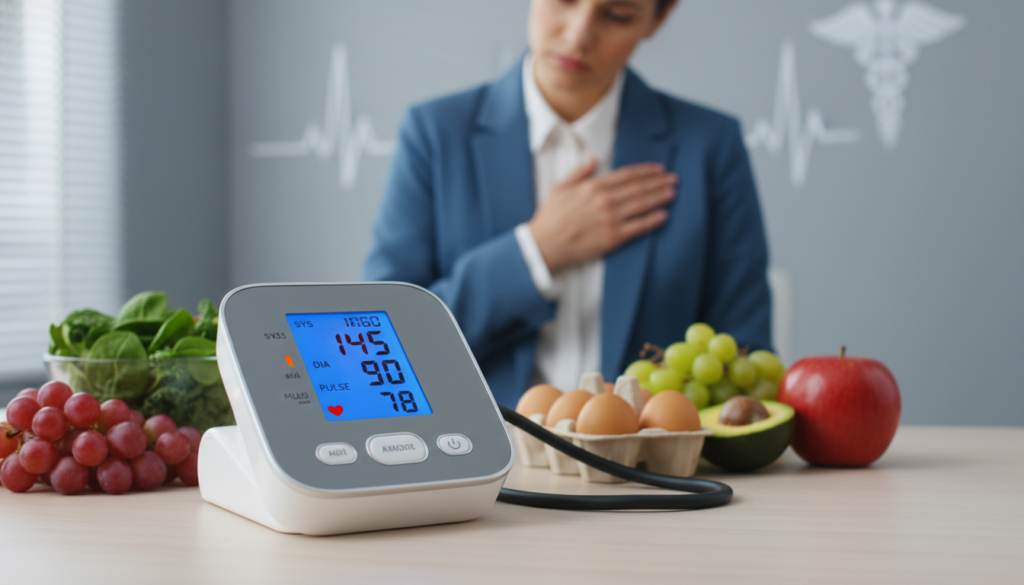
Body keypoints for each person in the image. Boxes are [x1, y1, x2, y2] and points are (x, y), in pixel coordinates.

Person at [364, 0, 772, 408]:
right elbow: (380, 342)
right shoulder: (435, 135)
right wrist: (535, 252)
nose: (578, 36)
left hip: (646, 465)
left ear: (658, 19)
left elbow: (742, 359)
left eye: (617, 16)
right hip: (483, 459)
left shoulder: (710, 147)